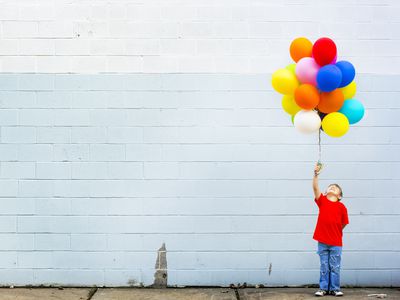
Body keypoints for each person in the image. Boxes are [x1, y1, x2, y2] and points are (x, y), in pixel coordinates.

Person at [312, 162, 349, 297]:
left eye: (336, 188)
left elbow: (344, 223)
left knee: (334, 267)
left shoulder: (342, 207)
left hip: (336, 243)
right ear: (326, 192)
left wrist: (335, 231)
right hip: (322, 241)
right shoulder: (322, 201)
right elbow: (315, 188)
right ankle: (323, 288)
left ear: (339, 196)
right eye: (330, 187)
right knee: (324, 267)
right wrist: (316, 174)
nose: (333, 187)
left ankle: (334, 288)